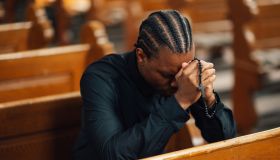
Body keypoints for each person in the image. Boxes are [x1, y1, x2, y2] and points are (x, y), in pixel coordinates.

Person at [73, 10, 236, 160]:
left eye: (182, 74)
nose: (177, 82)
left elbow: (224, 139)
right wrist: (181, 101)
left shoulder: (179, 73)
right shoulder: (100, 76)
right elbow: (113, 154)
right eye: (167, 75)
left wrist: (210, 100)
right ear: (141, 55)